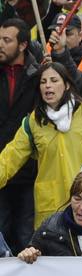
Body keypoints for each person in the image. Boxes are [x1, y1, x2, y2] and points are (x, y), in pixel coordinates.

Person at [0, 62, 82, 228]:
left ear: (66, 85)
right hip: (50, 211)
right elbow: (9, 159)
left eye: (53, 80)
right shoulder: (33, 123)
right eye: (43, 82)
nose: (47, 86)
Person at [0, 18, 40, 251]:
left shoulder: (40, 76)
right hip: (1, 170)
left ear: (23, 45)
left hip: (29, 173)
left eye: (7, 40)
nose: (1, 45)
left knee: (27, 236)